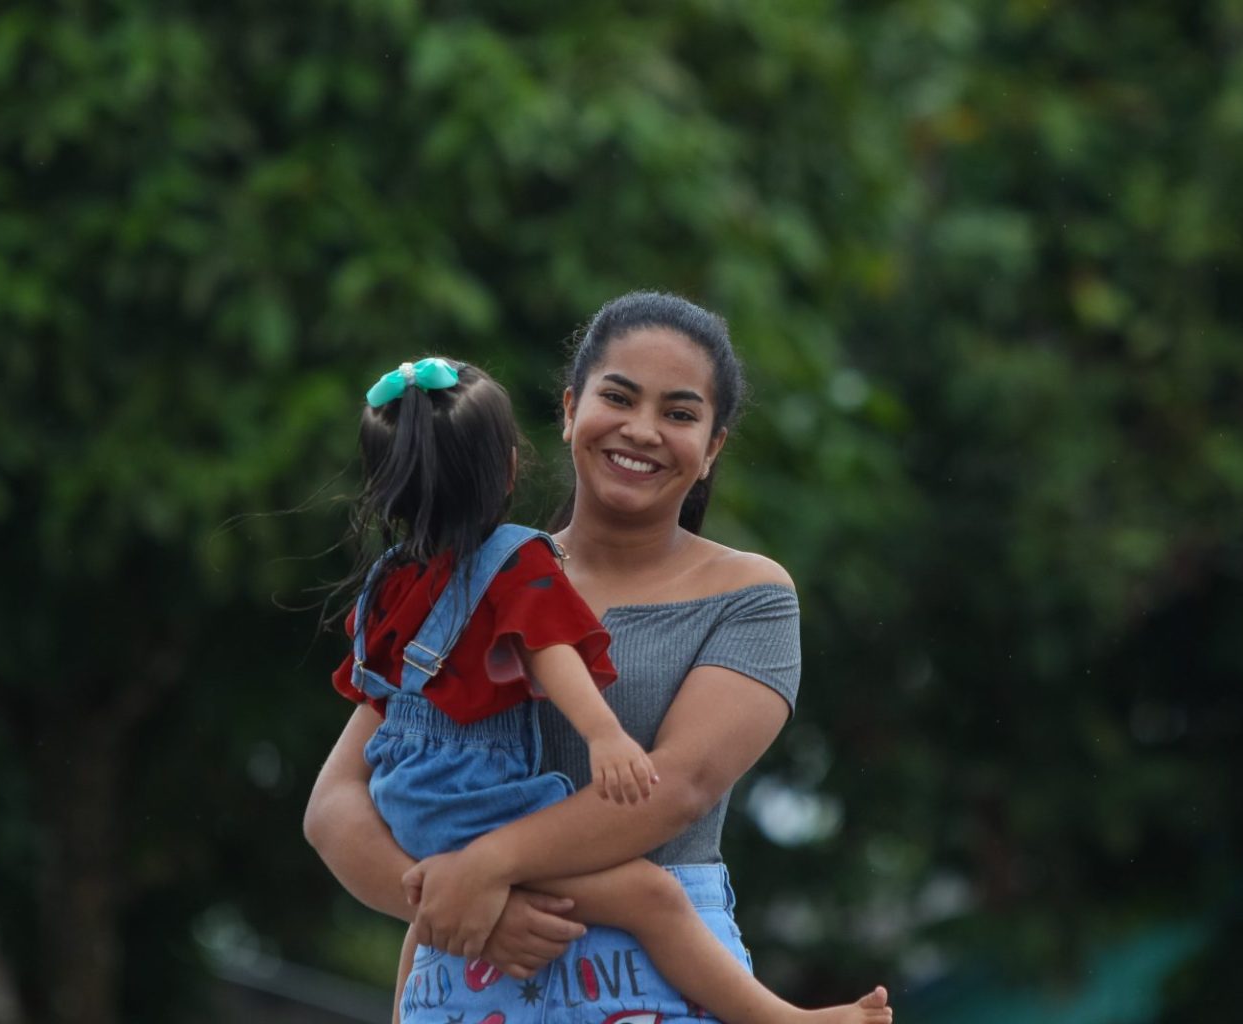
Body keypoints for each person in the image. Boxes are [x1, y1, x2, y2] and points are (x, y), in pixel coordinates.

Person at [306, 292, 893, 1024]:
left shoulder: (751, 596)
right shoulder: (470, 580)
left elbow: (674, 787)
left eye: (680, 414)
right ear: (569, 408)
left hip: (654, 986)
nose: (642, 430)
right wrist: (455, 904)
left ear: (712, 448)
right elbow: (334, 805)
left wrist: (488, 870)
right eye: (618, 397)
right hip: (462, 976)